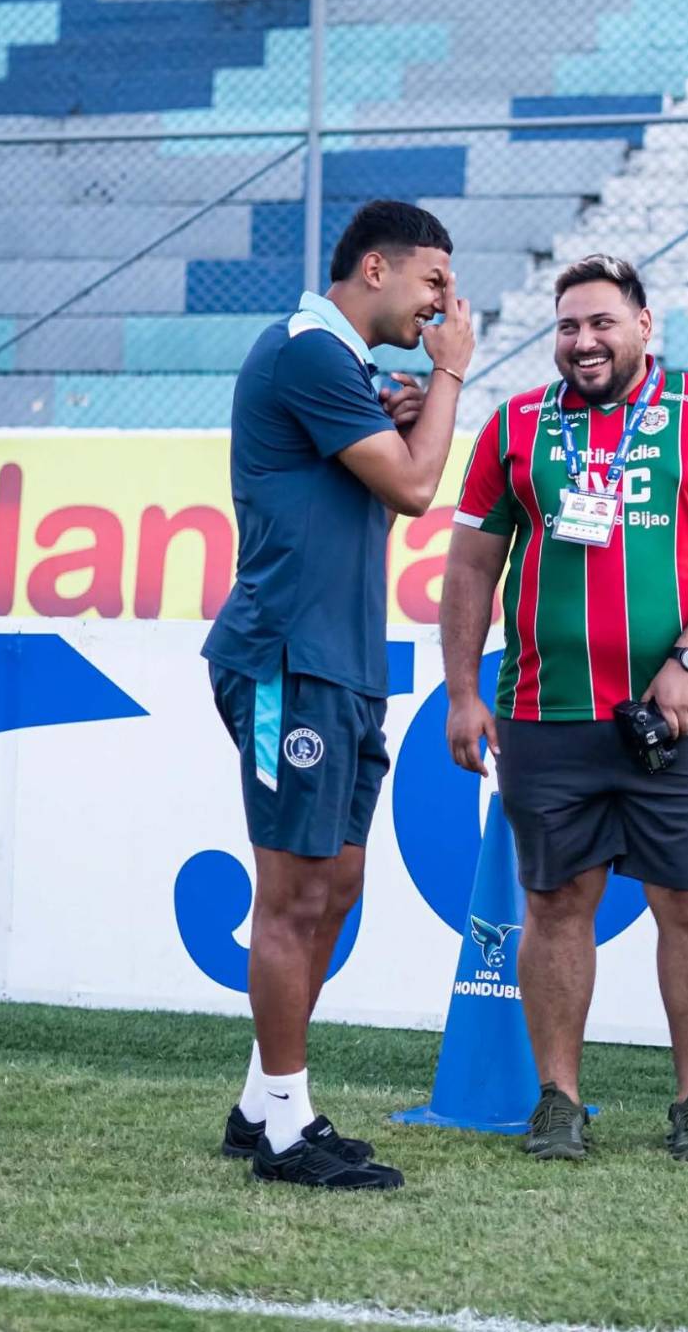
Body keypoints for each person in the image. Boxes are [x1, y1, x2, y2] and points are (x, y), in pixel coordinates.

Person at [441, 254, 688, 1164]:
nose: (583, 341)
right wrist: (465, 691)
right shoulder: (514, 424)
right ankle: (558, 1101)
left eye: (601, 322)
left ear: (644, 326)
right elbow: (471, 567)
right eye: (567, 326)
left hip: (686, 713)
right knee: (555, 903)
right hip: (546, 712)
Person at [203, 198, 473, 1190]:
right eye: (434, 282)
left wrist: (404, 404)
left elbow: (383, 484)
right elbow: (414, 488)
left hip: (342, 665)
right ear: (374, 270)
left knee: (335, 889)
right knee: (292, 896)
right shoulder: (307, 351)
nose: (446, 303)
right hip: (287, 660)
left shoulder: (346, 371)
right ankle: (286, 1133)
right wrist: (448, 377)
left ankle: (259, 1105)